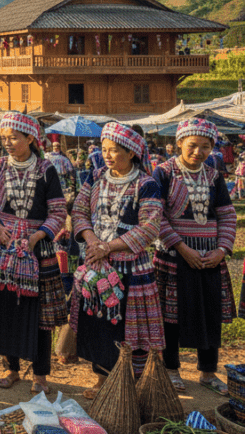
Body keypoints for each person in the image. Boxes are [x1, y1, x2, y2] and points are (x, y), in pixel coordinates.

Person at [70, 122, 164, 399]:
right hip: (96, 262)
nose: (107, 155)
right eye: (104, 149)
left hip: (131, 266)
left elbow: (149, 227)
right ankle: (101, 378)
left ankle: (128, 382)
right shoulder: (96, 177)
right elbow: (78, 211)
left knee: (128, 324)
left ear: (132, 153)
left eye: (114, 150)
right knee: (98, 322)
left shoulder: (147, 184)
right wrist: (91, 241)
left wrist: (108, 247)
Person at [0, 112, 67, 394]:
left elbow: (58, 211)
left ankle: (40, 375)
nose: (7, 143)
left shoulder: (46, 170)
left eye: (13, 138)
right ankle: (11, 368)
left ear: (30, 138)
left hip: (38, 250)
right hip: (4, 248)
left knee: (39, 313)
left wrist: (37, 235)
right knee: (7, 308)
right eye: (4, 138)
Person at [153, 118, 235, 396]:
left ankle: (208, 372)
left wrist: (221, 250)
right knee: (171, 315)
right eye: (192, 146)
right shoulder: (163, 173)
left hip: (210, 257)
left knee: (210, 312)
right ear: (178, 144)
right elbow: (156, 216)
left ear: (212, 147)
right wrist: (182, 247)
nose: (198, 152)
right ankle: (172, 369)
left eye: (205, 147)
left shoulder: (213, 176)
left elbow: (226, 214)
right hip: (174, 256)